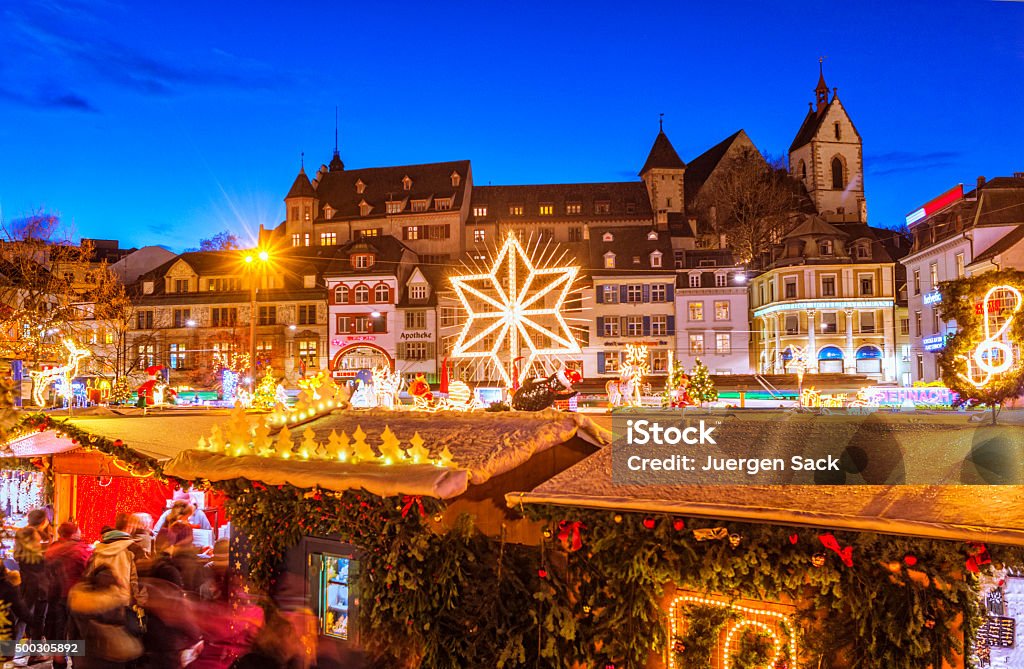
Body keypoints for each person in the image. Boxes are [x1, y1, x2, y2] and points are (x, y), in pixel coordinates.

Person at [68, 566, 142, 669]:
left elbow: (72, 634)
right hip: (114, 659)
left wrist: (74, 659)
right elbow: (134, 629)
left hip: (85, 660)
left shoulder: (79, 602)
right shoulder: (119, 604)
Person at [45, 522, 92, 662]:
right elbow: (88, 570)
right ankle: (76, 662)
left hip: (55, 595)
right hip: (76, 595)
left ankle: (59, 661)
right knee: (76, 631)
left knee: (59, 630)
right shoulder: (81, 549)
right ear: (73, 534)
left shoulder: (52, 549)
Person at [14, 508, 52, 641]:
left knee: (21, 616)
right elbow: (48, 561)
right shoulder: (44, 538)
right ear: (43, 521)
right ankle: (35, 653)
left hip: (25, 581)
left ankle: (8, 650)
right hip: (41, 583)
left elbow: (16, 557)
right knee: (39, 617)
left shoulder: (20, 535)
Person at [86, 527, 141, 607]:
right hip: (122, 599)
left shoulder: (97, 553)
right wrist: (136, 600)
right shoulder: (127, 554)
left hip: (99, 598)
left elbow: (89, 577)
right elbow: (133, 580)